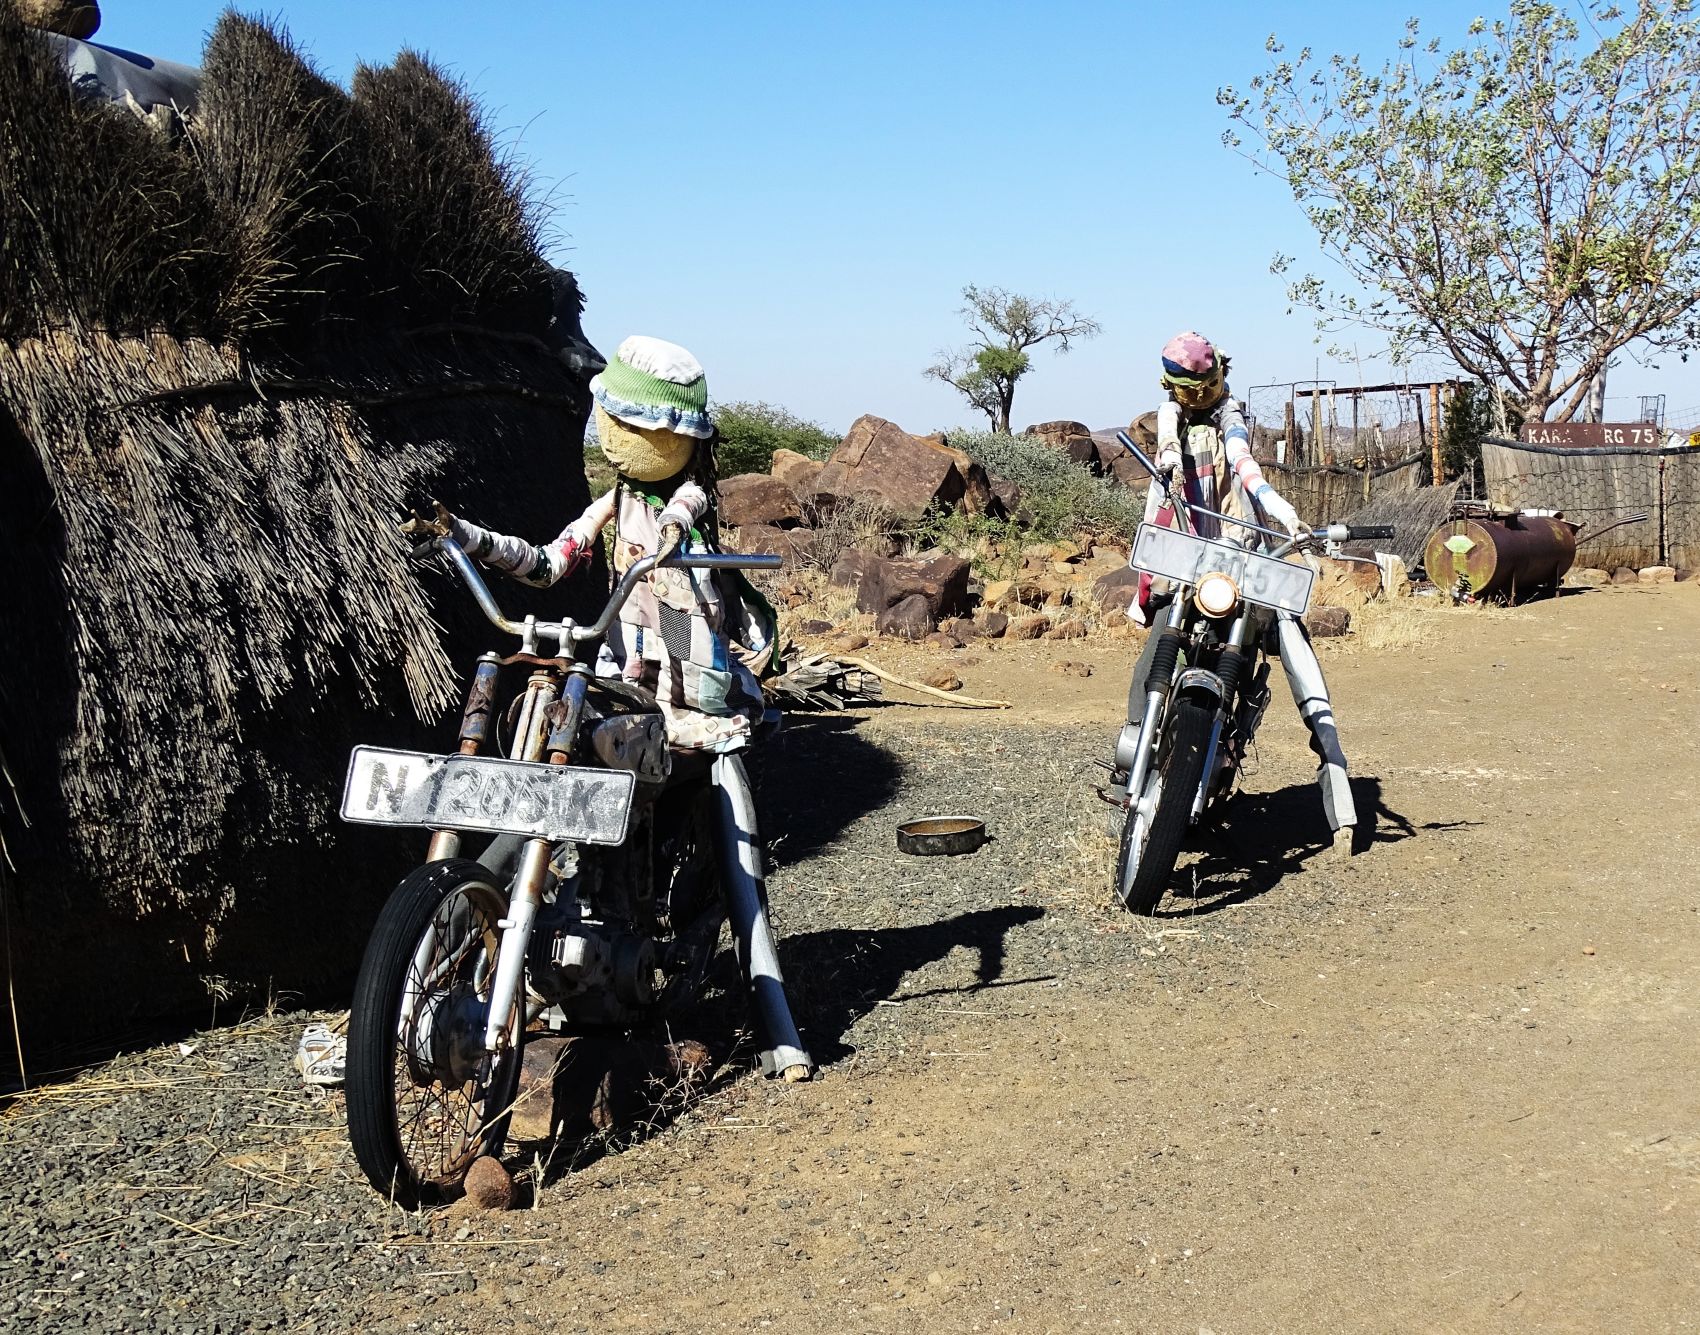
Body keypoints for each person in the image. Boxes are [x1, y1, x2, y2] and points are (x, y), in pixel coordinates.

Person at [402, 335, 775, 753]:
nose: (615, 439)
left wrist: (672, 528)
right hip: (626, 631)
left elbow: (686, 506)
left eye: (635, 427)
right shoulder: (616, 498)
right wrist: (467, 537)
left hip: (681, 626)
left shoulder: (690, 493)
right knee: (610, 704)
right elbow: (548, 562)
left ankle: (733, 812)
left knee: (690, 718)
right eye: (614, 421)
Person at [1126, 331, 1357, 846]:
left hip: (1235, 541)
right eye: (1184, 388)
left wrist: (1284, 511)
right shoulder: (1169, 416)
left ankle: (1338, 788)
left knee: (1291, 636)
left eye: (1202, 384)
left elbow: (1245, 465)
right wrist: (1167, 462)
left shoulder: (1231, 416)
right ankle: (1133, 748)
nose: (1194, 396)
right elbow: (1167, 438)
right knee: (1161, 635)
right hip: (1181, 537)